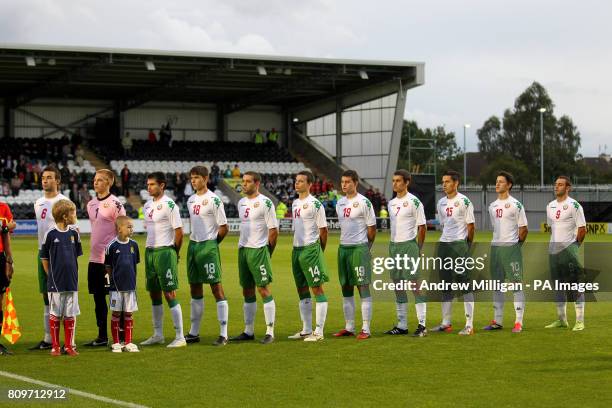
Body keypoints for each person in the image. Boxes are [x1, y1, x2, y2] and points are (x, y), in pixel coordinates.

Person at [230, 172, 278, 344]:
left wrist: (267, 252)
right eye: (243, 181)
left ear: (257, 183)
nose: (244, 184)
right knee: (247, 290)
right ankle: (248, 331)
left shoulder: (266, 203)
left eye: (248, 181)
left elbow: (273, 231)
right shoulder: (241, 202)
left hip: (258, 250)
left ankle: (270, 331)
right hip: (243, 250)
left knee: (263, 289)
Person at [185, 166, 229, 346]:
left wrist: (212, 244)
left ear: (205, 178)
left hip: (208, 246)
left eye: (196, 178)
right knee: (195, 288)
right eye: (191, 178)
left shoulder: (214, 200)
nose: (193, 181)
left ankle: (223, 334)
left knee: (216, 287)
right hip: (193, 245)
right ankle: (194, 333)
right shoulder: (190, 200)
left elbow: (223, 227)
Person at [140, 172, 186, 348]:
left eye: (152, 184)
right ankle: (158, 334)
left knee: (169, 293)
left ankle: (180, 336)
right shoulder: (147, 205)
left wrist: (174, 252)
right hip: (150, 251)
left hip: (165, 251)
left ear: (162, 186)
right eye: (148, 184)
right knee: (154, 293)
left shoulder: (169, 205)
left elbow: (179, 232)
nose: (149, 187)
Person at [30, 166, 71, 351]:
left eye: (49, 177)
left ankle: (68, 340)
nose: (44, 180)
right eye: (43, 177)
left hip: (60, 254)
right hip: (42, 253)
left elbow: (72, 229)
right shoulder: (38, 202)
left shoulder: (64, 202)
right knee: (46, 295)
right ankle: (48, 339)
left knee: (63, 295)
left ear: (58, 181)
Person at [84, 169, 126, 347]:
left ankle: (122, 336)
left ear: (109, 182)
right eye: (95, 180)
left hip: (110, 262)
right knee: (98, 299)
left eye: (100, 180)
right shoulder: (91, 204)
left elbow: (123, 230)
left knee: (116, 298)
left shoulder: (115, 203)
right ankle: (102, 336)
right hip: (94, 260)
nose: (96, 182)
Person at [431, 170, 476, 335]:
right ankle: (445, 322)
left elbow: (471, 227)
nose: (444, 184)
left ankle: (469, 325)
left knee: (464, 284)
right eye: (443, 182)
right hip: (444, 245)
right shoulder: (441, 202)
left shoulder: (464, 201)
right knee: (445, 284)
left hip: (459, 245)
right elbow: (443, 224)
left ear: (456, 183)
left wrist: (466, 245)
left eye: (447, 181)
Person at [333, 170, 377, 340]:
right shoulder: (340, 203)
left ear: (355, 183)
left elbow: (372, 229)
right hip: (343, 249)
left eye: (348, 182)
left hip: (359, 249)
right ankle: (349, 327)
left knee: (363, 287)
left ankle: (366, 328)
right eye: (342, 182)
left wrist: (366, 248)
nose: (344, 185)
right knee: (346, 288)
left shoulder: (364, 202)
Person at [385, 170, 427, 337]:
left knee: (415, 286)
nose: (394, 184)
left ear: (407, 182)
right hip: (394, 246)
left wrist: (418, 248)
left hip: (409, 246)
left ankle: (422, 325)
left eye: (398, 181)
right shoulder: (391, 203)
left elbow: (422, 227)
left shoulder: (414, 202)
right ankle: (402, 325)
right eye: (393, 180)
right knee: (398, 285)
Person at [484, 171, 528, 333]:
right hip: (495, 248)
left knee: (516, 284)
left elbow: (524, 229)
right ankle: (498, 320)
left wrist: (515, 246)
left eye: (501, 182)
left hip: (511, 248)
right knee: (497, 285)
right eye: (496, 181)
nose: (497, 184)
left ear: (509, 185)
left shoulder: (516, 205)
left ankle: (518, 322)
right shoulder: (492, 206)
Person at [288, 171, 329, 342]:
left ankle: (319, 332)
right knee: (302, 289)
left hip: (310, 249)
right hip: (296, 250)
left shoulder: (315, 204)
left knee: (317, 288)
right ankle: (306, 329)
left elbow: (323, 231)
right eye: (296, 181)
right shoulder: (295, 203)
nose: (297, 184)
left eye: (301, 181)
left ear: (309, 184)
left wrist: (318, 251)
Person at [40, 199, 83, 356]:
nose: (75, 215)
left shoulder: (74, 234)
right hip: (56, 282)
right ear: (65, 216)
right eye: (73, 212)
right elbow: (44, 257)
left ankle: (69, 346)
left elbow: (75, 256)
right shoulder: (50, 235)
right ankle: (56, 346)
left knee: (70, 313)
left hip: (71, 281)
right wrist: (50, 275)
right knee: (55, 313)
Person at [545, 176, 587, 331]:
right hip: (553, 252)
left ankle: (580, 321)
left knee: (575, 286)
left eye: (560, 185)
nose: (556, 187)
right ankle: (562, 320)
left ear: (568, 187)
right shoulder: (550, 206)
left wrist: (573, 247)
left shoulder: (574, 206)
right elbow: (553, 228)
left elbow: (582, 230)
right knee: (558, 286)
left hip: (569, 250)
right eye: (555, 184)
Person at [105, 216, 140, 352]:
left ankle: (129, 342)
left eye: (132, 227)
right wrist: (114, 281)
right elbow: (108, 267)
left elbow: (134, 264)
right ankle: (116, 342)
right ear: (119, 229)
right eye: (129, 227)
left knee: (129, 314)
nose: (132, 229)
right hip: (116, 288)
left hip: (130, 287)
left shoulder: (134, 245)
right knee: (116, 314)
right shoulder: (111, 246)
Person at [0, 201, 16, 356]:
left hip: (0, 258)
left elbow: (6, 238)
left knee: (0, 300)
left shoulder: (3, 207)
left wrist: (9, 261)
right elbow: (7, 229)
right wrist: (5, 227)